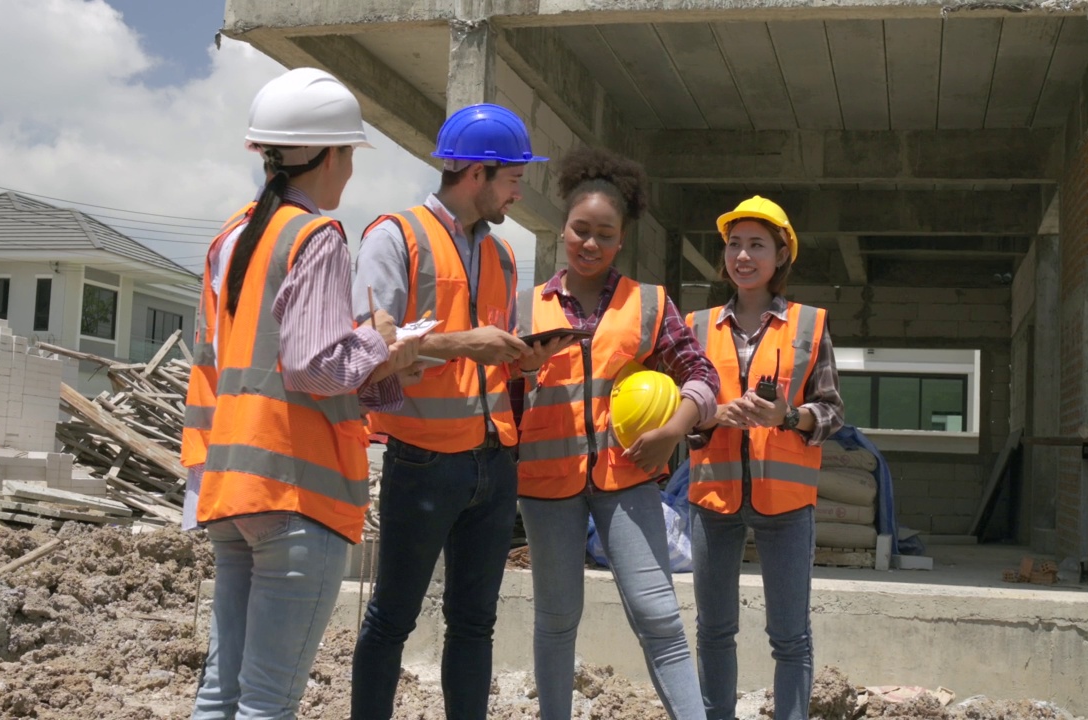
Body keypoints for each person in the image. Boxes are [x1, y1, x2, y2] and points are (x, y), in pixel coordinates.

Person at [183, 67, 421, 720]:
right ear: (332, 153)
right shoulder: (314, 237)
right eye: (350, 154)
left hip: (229, 491)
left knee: (220, 695)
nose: (351, 170)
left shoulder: (230, 239)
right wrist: (382, 342)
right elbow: (314, 366)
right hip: (296, 496)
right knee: (267, 703)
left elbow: (215, 363)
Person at [349, 103, 553, 720]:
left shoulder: (504, 256)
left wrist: (521, 360)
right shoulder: (395, 236)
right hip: (422, 461)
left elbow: (489, 350)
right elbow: (368, 350)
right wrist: (465, 344)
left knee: (475, 624)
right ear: (478, 172)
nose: (519, 193)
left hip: (492, 462)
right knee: (392, 618)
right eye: (513, 178)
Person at [513, 146, 719, 720]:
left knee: (658, 614)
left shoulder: (649, 304)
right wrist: (516, 368)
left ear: (621, 239)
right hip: (547, 484)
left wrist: (674, 429)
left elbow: (703, 375)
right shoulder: (525, 309)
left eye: (605, 234)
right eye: (581, 230)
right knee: (556, 619)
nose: (590, 243)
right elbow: (497, 396)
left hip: (627, 479)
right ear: (563, 227)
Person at [684, 196, 845, 720]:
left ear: (781, 255)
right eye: (734, 244)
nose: (743, 255)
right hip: (714, 497)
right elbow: (681, 415)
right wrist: (713, 416)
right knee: (713, 630)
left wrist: (786, 416)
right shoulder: (697, 326)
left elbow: (831, 413)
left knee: (790, 636)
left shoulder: (809, 325)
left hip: (787, 504)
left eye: (757, 244)